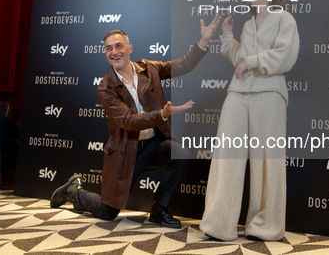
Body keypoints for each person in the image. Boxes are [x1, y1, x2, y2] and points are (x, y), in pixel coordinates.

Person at [50, 14, 221, 228]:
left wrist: (204, 41)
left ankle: (159, 210)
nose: (114, 52)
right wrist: (161, 114)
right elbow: (128, 122)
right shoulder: (105, 87)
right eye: (109, 48)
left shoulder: (149, 68)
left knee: (181, 154)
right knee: (107, 213)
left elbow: (183, 65)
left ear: (130, 48)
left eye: (118, 46)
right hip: (126, 151)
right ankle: (74, 191)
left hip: (154, 144)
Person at [199, 0, 300, 241]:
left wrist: (250, 61)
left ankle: (265, 226)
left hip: (270, 93)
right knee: (226, 155)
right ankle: (218, 224)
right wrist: (228, 36)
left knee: (267, 159)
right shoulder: (248, 24)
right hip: (238, 92)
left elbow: (284, 56)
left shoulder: (285, 19)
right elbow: (239, 60)